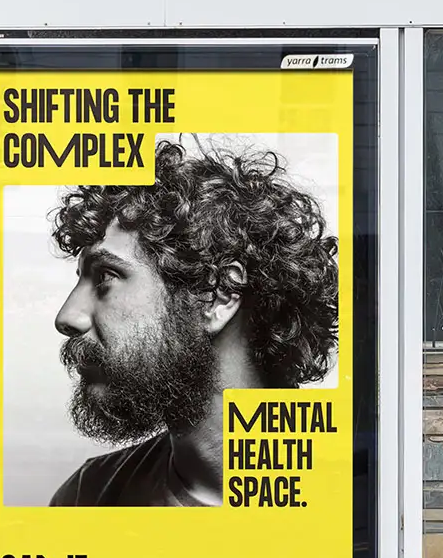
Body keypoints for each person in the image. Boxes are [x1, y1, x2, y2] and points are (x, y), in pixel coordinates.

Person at [47, 140, 338, 507]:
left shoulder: (354, 497)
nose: (67, 317)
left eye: (106, 276)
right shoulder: (86, 497)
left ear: (217, 296)